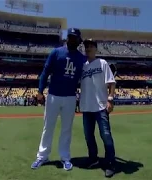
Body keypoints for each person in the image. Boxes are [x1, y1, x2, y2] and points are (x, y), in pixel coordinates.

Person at [31, 28, 86, 171]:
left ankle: (65, 157)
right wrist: (39, 91)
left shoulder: (81, 58)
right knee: (48, 127)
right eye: (70, 37)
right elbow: (45, 72)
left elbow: (87, 78)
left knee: (66, 129)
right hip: (53, 96)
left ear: (79, 41)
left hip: (70, 97)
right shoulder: (56, 52)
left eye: (75, 38)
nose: (72, 39)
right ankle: (42, 156)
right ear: (67, 38)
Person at [80, 39, 117, 178]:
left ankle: (110, 163)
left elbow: (112, 82)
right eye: (86, 47)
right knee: (89, 136)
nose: (88, 48)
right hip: (86, 106)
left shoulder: (102, 63)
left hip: (101, 106)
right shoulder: (82, 66)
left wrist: (110, 99)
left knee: (106, 136)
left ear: (96, 49)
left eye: (91, 46)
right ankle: (93, 159)